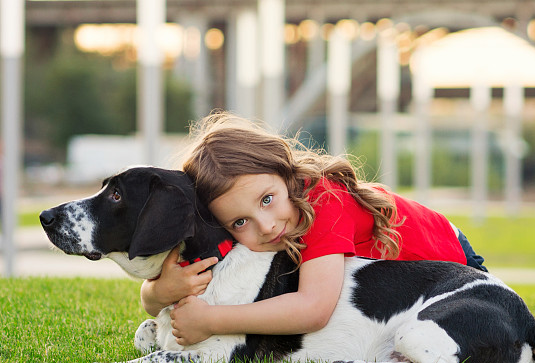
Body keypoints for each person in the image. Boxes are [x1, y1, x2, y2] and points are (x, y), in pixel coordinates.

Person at [141, 112, 486, 346]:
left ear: (283, 169)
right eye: (240, 223)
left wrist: (212, 321)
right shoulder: (260, 215)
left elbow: (314, 309)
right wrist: (158, 293)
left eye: (266, 199)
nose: (266, 226)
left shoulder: (324, 201)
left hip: (455, 273)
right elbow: (177, 288)